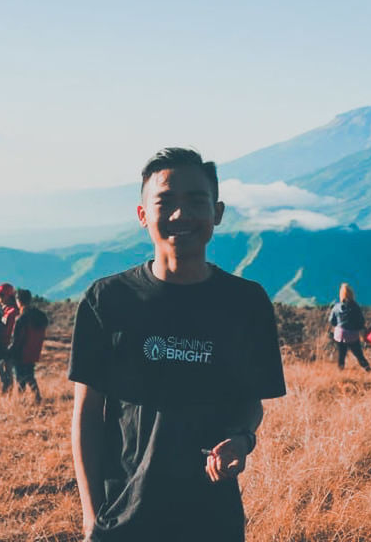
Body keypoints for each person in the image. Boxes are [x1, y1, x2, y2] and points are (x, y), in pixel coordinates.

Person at [69, 147, 286, 542]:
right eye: (165, 202)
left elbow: (250, 401)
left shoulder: (246, 303)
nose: (180, 215)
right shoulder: (107, 300)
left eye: (195, 202)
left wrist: (242, 440)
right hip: (123, 517)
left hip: (212, 519)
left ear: (217, 213)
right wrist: (91, 518)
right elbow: (88, 415)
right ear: (142, 216)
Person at [8, 288, 48, 403]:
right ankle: (37, 397)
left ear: (18, 300)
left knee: (20, 379)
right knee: (30, 376)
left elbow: (17, 340)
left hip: (20, 353)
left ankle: (22, 401)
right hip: (33, 352)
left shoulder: (21, 318)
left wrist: (9, 352)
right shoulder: (39, 316)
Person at [328, 283, 370, 371]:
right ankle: (368, 370)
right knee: (359, 355)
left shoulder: (336, 307)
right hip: (352, 335)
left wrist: (338, 326)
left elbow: (332, 320)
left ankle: (340, 371)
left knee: (341, 355)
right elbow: (361, 322)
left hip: (339, 334)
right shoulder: (355, 307)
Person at [0, 282, 19, 394]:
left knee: (7, 375)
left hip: (7, 349)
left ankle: (8, 396)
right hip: (2, 348)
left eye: (1, 294)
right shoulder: (6, 311)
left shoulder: (12, 312)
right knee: (3, 375)